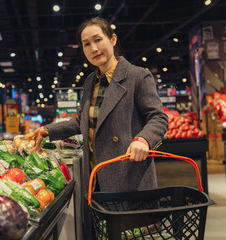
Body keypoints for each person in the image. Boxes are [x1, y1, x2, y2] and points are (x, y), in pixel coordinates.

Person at [27, 17, 168, 239]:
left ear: (112, 39)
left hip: (129, 178)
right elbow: (81, 122)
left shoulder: (137, 76)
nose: (93, 48)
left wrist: (143, 139)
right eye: (86, 44)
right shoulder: (90, 81)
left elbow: (158, 118)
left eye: (98, 39)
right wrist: (46, 130)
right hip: (97, 181)